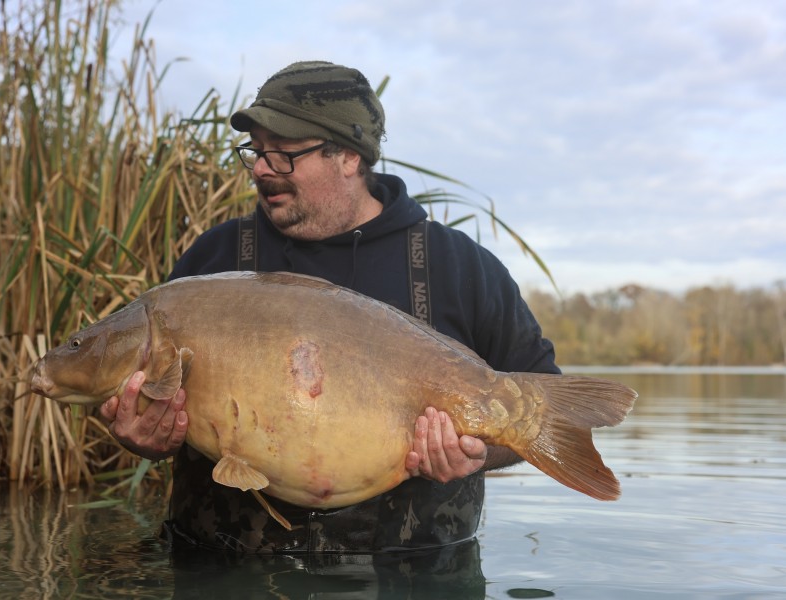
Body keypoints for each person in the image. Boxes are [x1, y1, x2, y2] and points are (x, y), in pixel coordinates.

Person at [100, 60, 559, 554]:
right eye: (256, 150)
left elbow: (542, 412)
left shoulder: (457, 266)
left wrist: (477, 453)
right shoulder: (214, 259)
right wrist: (143, 436)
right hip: (225, 569)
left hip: (416, 573)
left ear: (348, 157)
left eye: (283, 154)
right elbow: (155, 411)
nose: (261, 168)